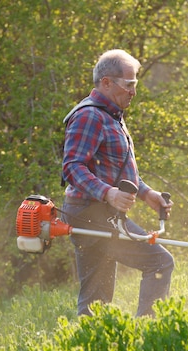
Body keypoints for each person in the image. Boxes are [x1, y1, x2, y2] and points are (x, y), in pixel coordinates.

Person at [61, 49, 175, 317]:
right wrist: (109, 194)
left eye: (135, 85)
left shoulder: (112, 116)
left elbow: (117, 168)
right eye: (129, 85)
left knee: (96, 302)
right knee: (158, 262)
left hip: (98, 213)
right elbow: (72, 167)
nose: (133, 92)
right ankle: (149, 335)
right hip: (90, 214)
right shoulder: (90, 115)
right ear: (107, 82)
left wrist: (147, 194)